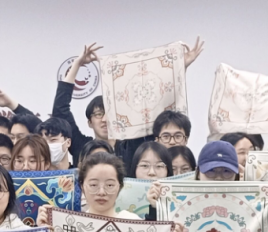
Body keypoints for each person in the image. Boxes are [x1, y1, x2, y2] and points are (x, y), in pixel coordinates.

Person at [52, 41, 205, 167]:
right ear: (89, 122)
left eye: (110, 113)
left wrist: (179, 67)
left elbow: (158, 104)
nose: (105, 119)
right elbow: (60, 111)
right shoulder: (82, 146)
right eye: (98, 114)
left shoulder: (134, 144)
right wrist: (77, 64)